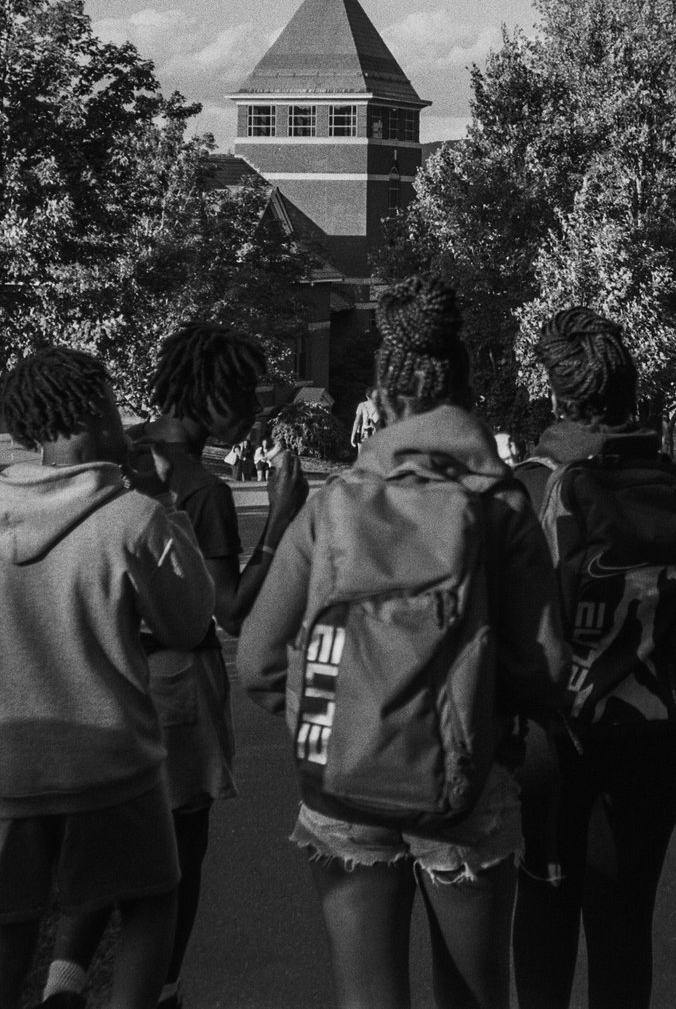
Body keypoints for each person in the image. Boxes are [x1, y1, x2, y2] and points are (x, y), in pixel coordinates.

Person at [240, 277, 569, 1009]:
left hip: (342, 784)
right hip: (464, 785)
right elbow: (547, 668)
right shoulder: (501, 504)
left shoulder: (333, 507)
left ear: (382, 407)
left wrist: (328, 719)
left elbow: (260, 659)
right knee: (475, 996)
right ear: (467, 399)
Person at [0, 346, 216, 1009]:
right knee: (150, 904)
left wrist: (1, 668)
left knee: (4, 942)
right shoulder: (132, 518)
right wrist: (167, 509)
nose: (124, 418)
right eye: (112, 403)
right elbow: (190, 625)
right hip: (113, 769)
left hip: (9, 767)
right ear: (90, 415)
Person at [40, 325, 311, 1009]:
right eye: (245, 392)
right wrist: (281, 519)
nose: (253, 407)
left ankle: (63, 979)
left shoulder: (111, 455)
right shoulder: (199, 488)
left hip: (97, 674)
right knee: (179, 859)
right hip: (173, 685)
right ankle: (161, 991)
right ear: (214, 396)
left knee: (106, 839)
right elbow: (231, 611)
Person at [509, 307, 676, 1009]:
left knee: (544, 904)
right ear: (633, 392)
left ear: (555, 397)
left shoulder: (529, 487)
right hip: (657, 727)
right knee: (625, 919)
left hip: (551, 734)